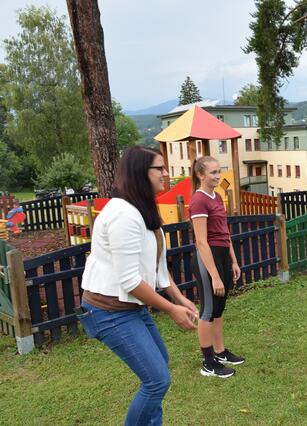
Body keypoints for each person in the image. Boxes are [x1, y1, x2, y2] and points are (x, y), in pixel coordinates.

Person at [76, 146, 199, 425]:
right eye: (160, 168)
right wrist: (171, 309)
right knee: (156, 381)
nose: (166, 174)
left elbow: (155, 266)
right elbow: (130, 280)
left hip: (132, 308)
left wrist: (179, 298)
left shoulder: (141, 209)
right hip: (108, 311)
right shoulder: (123, 215)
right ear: (139, 172)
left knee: (159, 369)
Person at [190, 156, 244, 378]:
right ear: (201, 175)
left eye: (218, 171)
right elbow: (201, 241)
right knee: (208, 310)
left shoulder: (218, 196)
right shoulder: (198, 200)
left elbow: (224, 232)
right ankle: (208, 362)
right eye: (212, 172)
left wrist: (233, 260)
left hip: (222, 255)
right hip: (207, 258)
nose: (217, 176)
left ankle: (220, 352)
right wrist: (215, 276)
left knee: (219, 308)